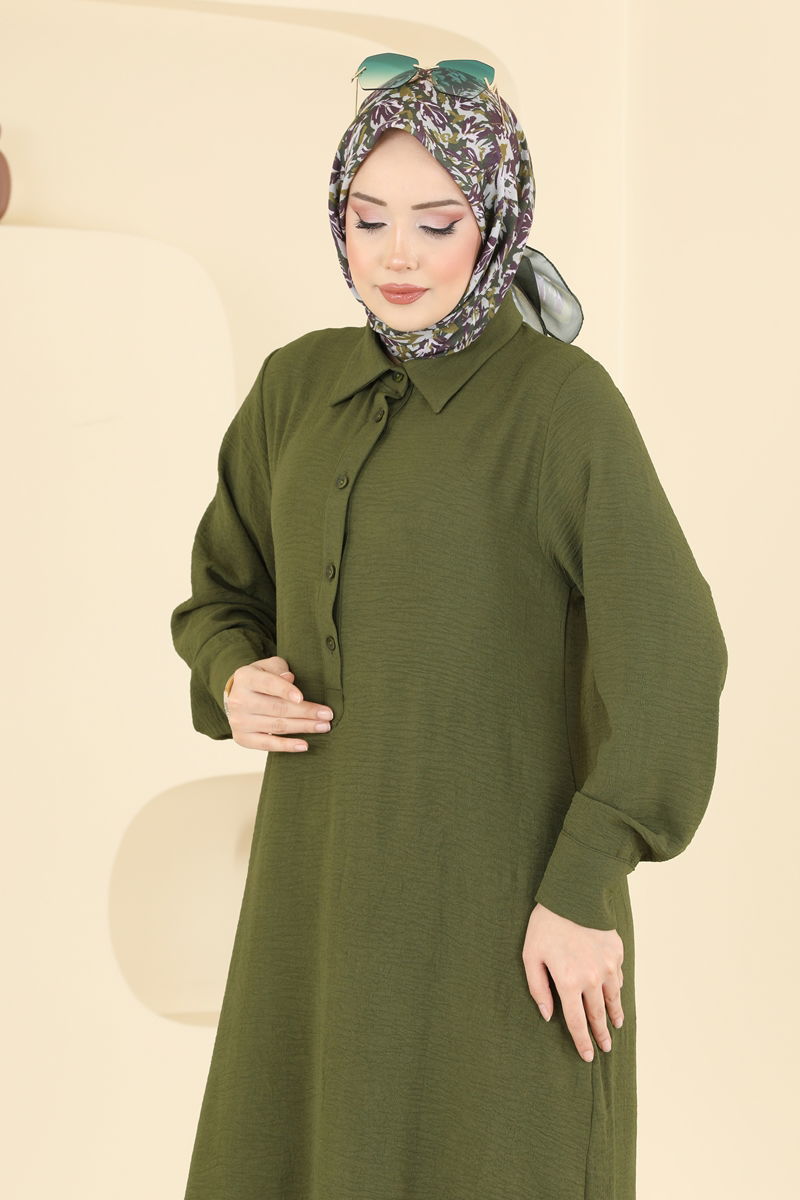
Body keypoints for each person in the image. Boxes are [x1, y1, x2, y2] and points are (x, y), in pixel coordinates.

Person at [170, 55, 728, 1200]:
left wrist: (582, 884)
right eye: (366, 217)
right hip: (317, 898)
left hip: (502, 905)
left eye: (436, 222)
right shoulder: (294, 387)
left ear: (497, 222)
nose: (395, 254)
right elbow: (221, 593)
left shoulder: (560, 405)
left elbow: (673, 658)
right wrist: (232, 675)